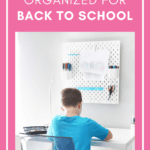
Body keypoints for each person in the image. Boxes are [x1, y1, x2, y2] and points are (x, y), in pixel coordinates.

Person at [47, 88, 113, 150]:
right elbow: (108, 136)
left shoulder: (55, 121)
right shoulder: (87, 123)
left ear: (61, 107)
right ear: (79, 105)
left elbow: (49, 138)